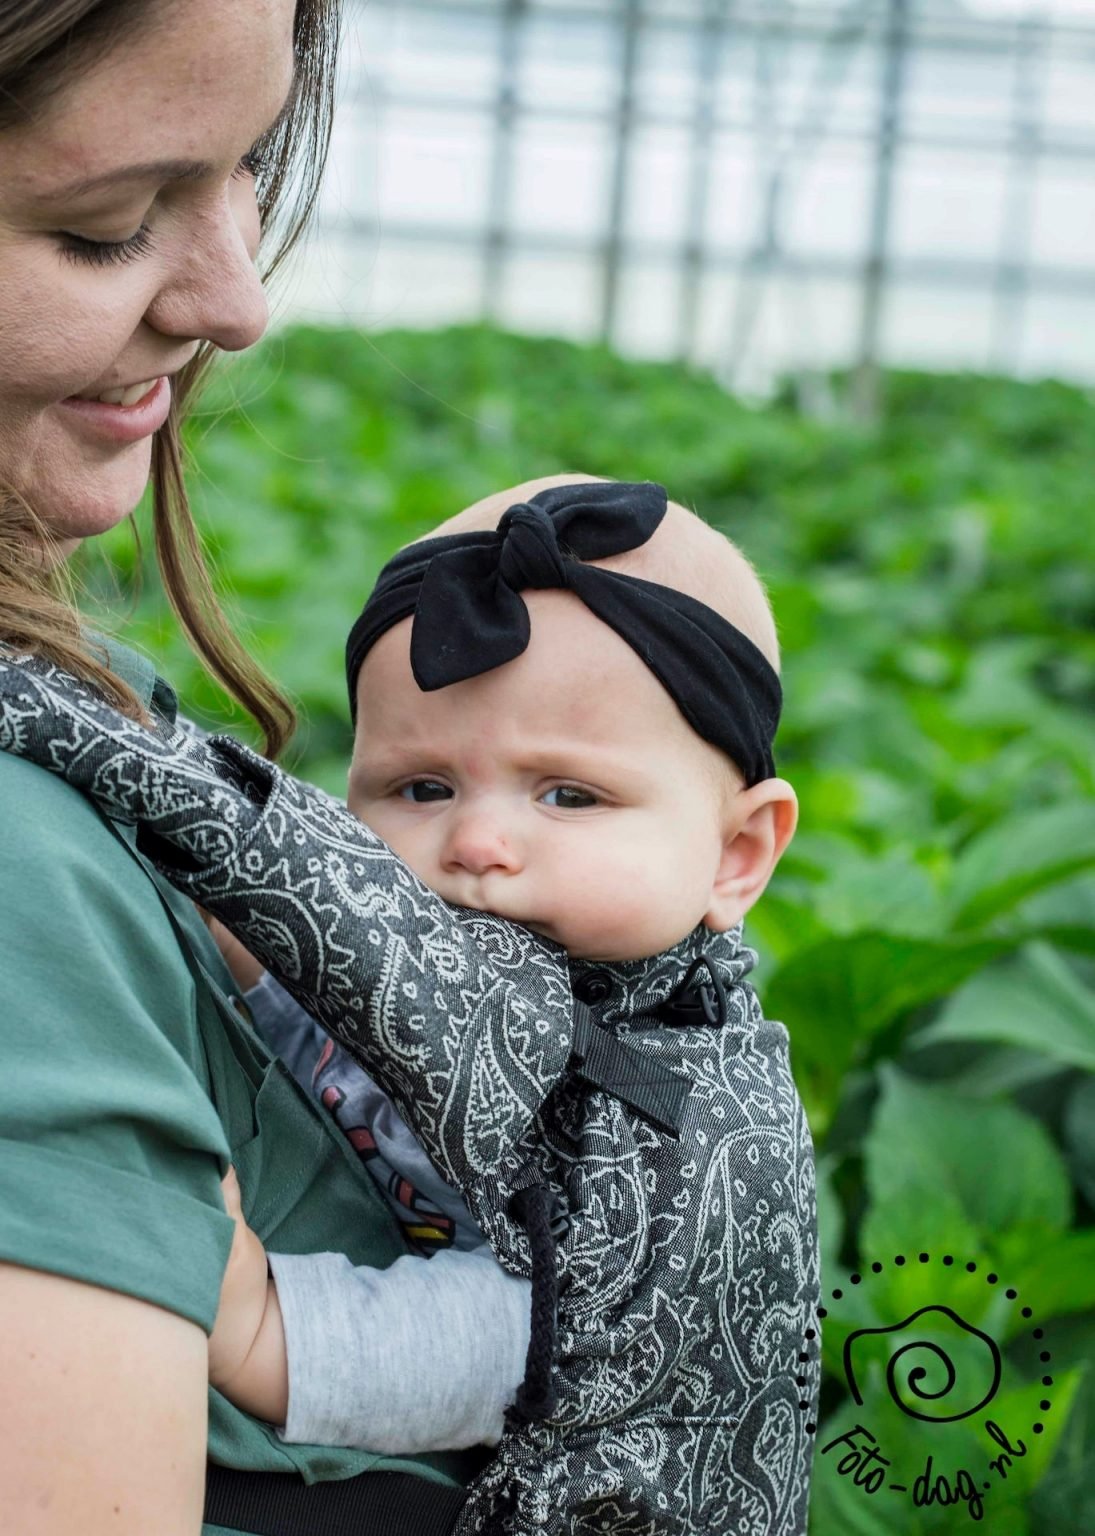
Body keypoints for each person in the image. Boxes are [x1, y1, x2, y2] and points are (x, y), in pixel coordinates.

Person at [0, 478, 822, 1533]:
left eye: (568, 795)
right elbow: (349, 1026)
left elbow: (524, 1344)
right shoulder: (448, 954)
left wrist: (262, 1330)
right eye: (421, 788)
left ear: (736, 854)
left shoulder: (683, 1117)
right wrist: (245, 961)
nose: (476, 843)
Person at [0, 4, 550, 1533]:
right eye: (106, 225)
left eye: (250, 159)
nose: (238, 301)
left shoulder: (68, 702)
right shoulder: (15, 855)